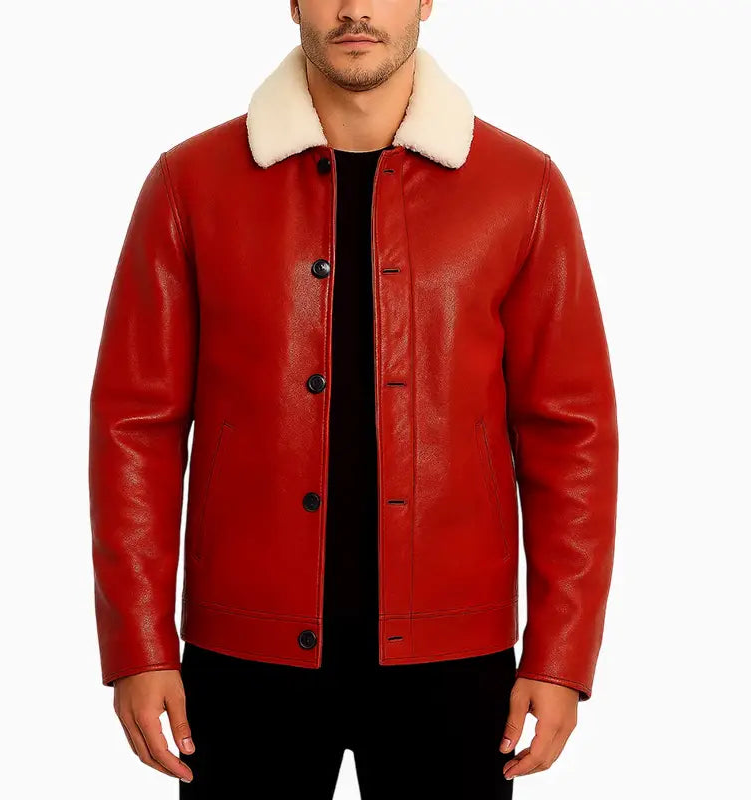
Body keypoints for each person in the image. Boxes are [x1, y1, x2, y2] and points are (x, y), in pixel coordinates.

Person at [88, 1, 619, 796]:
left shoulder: (521, 186)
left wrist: (560, 655)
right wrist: (139, 646)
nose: (356, 9)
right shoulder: (190, 183)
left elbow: (570, 430)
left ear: (427, 0)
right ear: (293, 2)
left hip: (455, 658)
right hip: (242, 654)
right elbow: (136, 424)